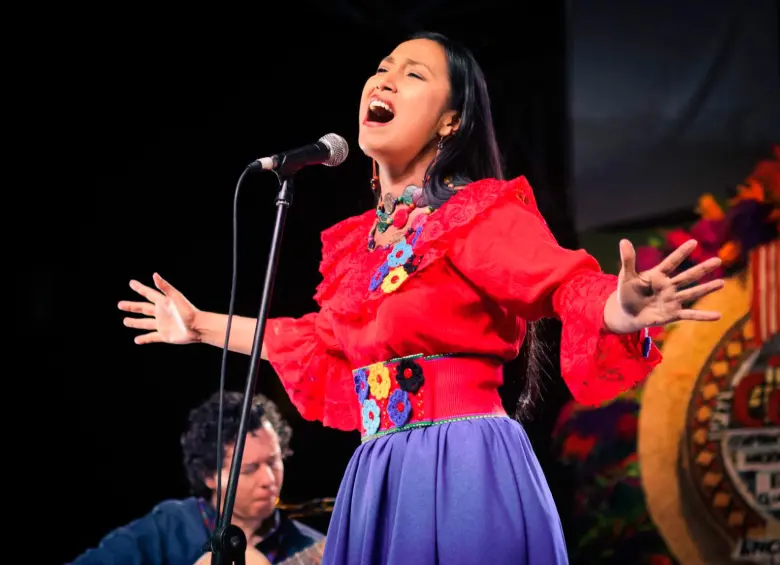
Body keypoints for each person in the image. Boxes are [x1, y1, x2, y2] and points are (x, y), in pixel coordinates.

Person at [118, 31, 725, 565]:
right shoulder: (360, 248)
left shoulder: (474, 214)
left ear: (450, 122)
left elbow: (560, 283)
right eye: (382, 68)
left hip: (462, 463)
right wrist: (198, 325)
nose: (384, 79)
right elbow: (309, 339)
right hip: (380, 471)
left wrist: (621, 307)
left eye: (413, 74)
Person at [69, 391, 324, 565]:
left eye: (274, 461)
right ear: (209, 476)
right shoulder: (170, 525)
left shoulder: (310, 547)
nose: (269, 479)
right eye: (249, 469)